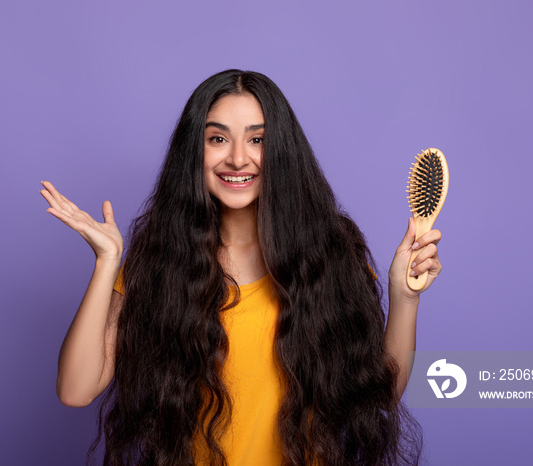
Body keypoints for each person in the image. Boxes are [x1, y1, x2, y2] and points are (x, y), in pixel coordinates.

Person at [40, 69, 442, 466]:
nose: (237, 158)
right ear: (192, 152)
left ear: (282, 151)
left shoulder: (333, 251)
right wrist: (108, 263)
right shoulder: (159, 260)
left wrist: (405, 298)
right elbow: (76, 389)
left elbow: (379, 395)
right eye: (217, 139)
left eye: (257, 140)